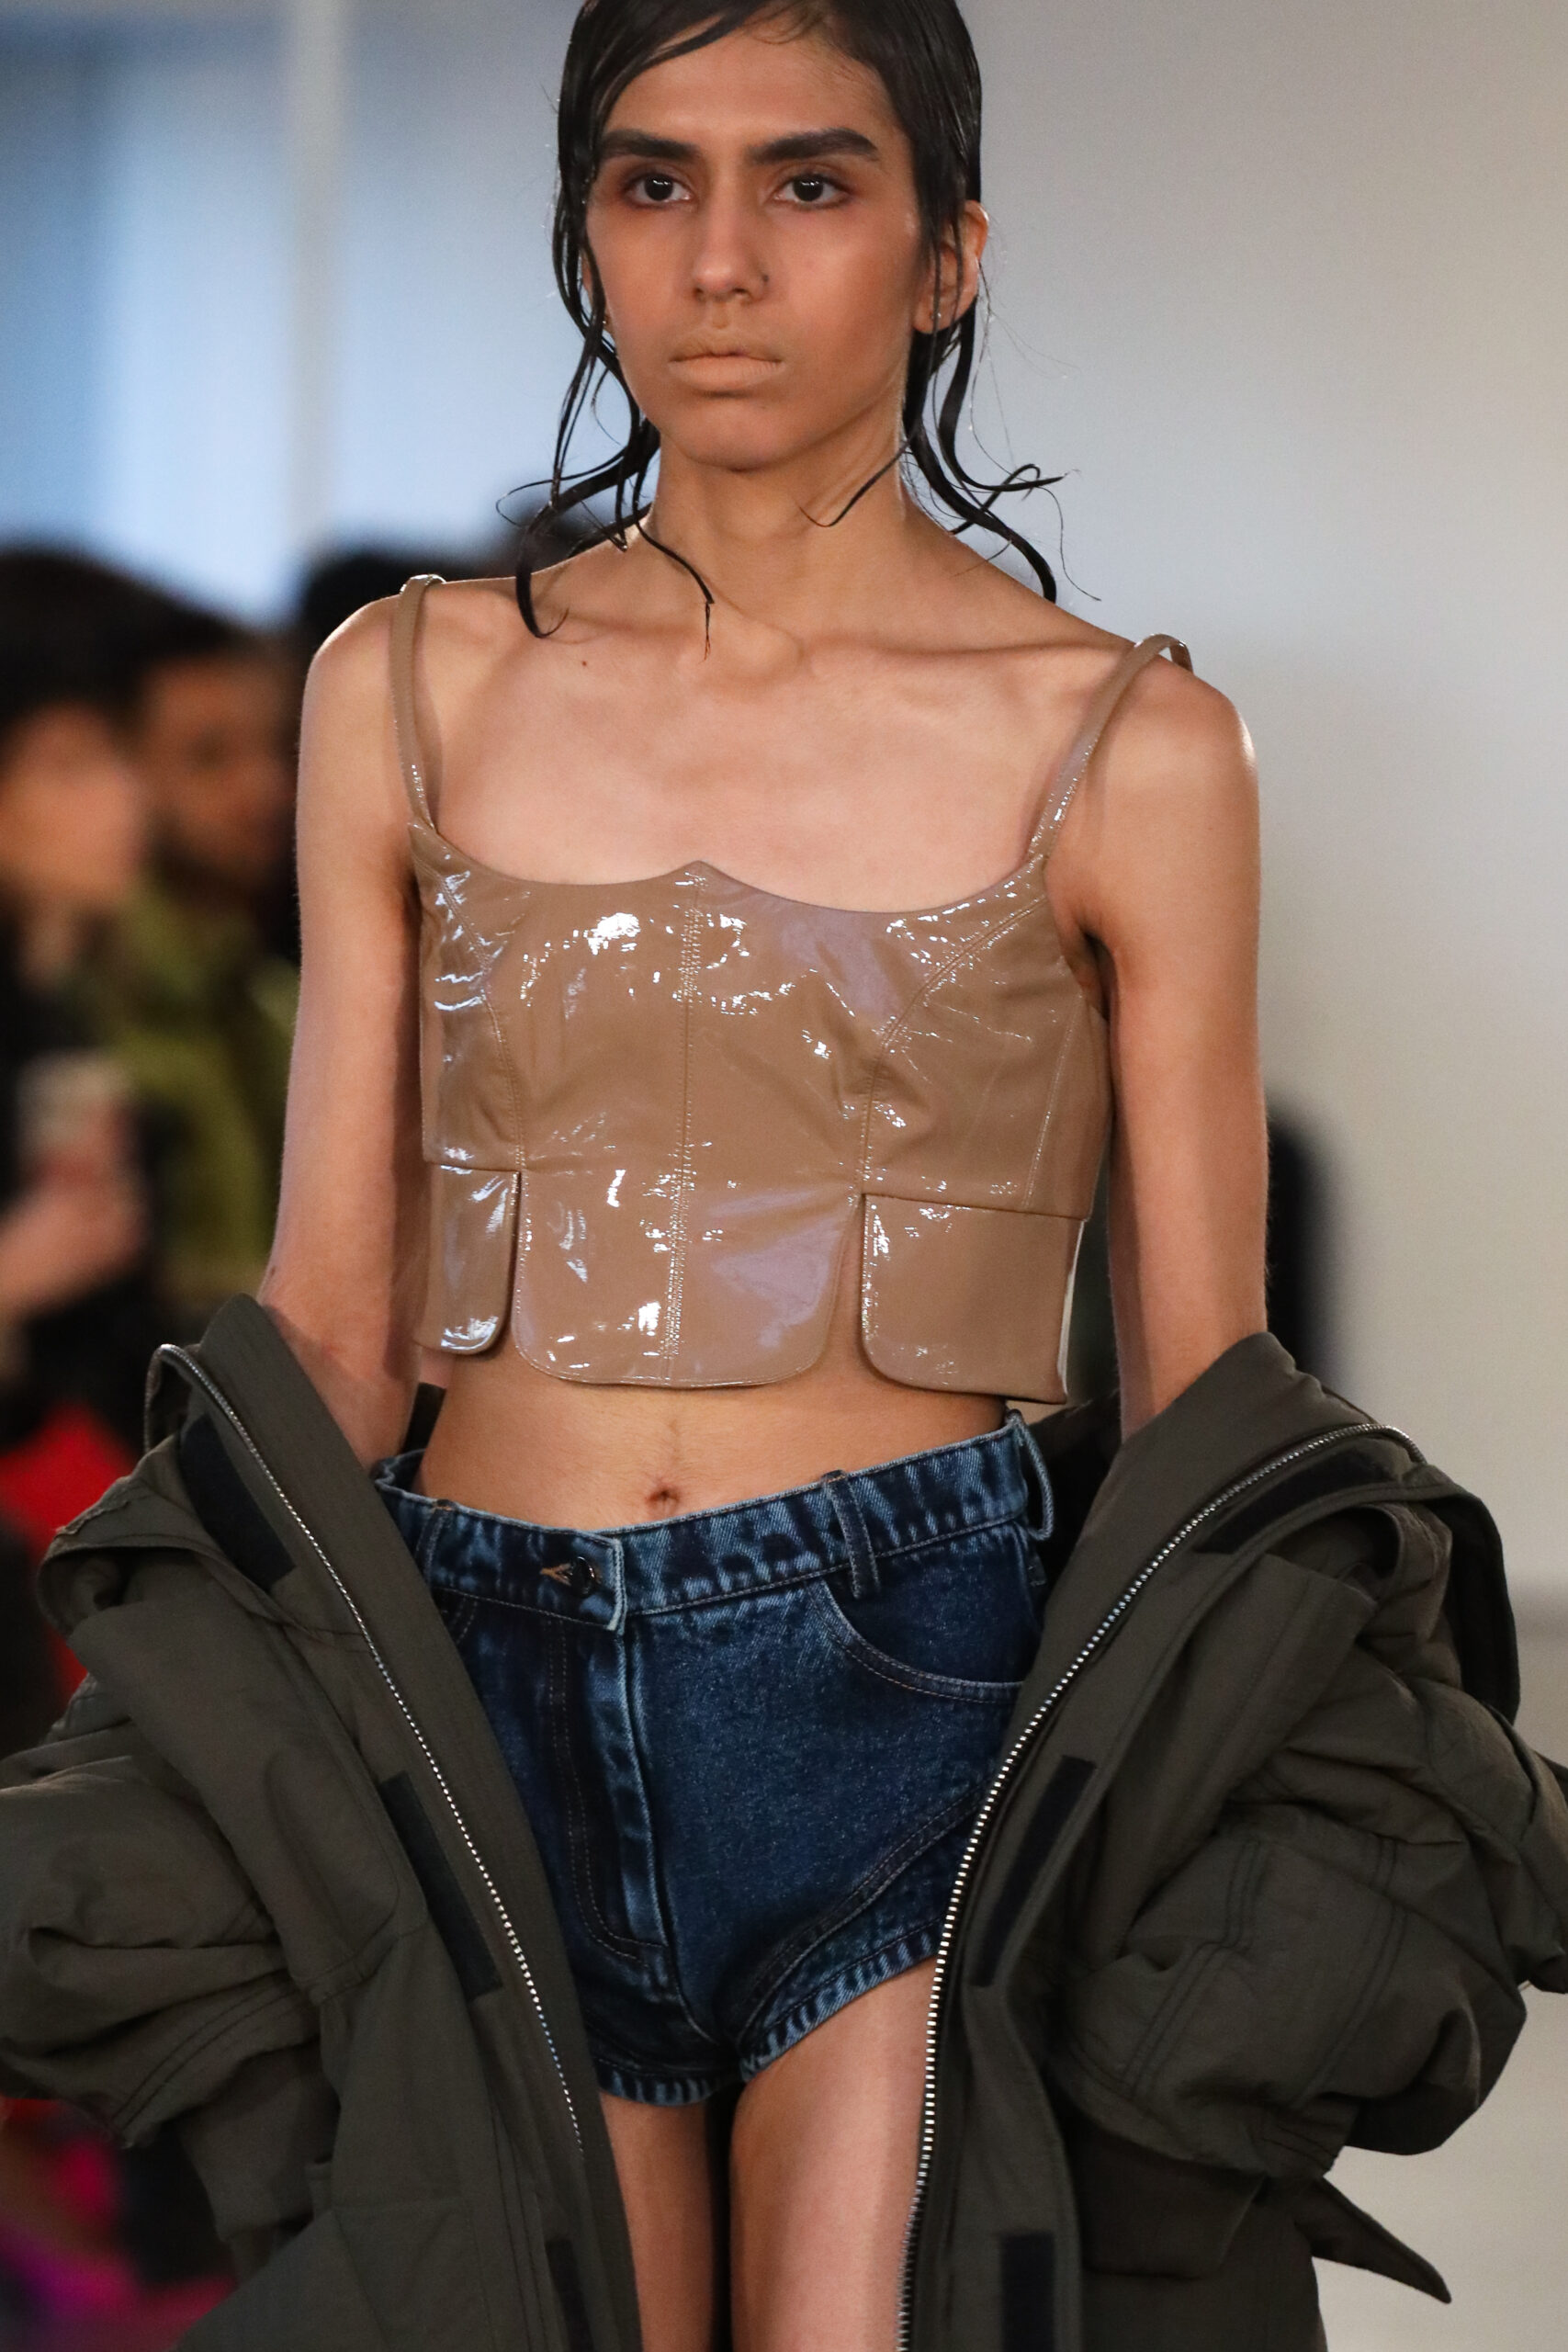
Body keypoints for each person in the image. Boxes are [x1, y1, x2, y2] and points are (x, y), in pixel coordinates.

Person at [261, 3, 1263, 2345]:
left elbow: (1201, 1387)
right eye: (650, 183)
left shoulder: (1128, 746)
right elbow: (331, 1314)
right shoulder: (403, 687)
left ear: (945, 254)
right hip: (468, 1682)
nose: (718, 260)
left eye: (807, 183)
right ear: (583, 240)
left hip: (912, 1695)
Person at [78, 593, 299, 1322]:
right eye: (209, 757)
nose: (265, 788)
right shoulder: (83, 994)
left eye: (279, 748)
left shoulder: (274, 999)